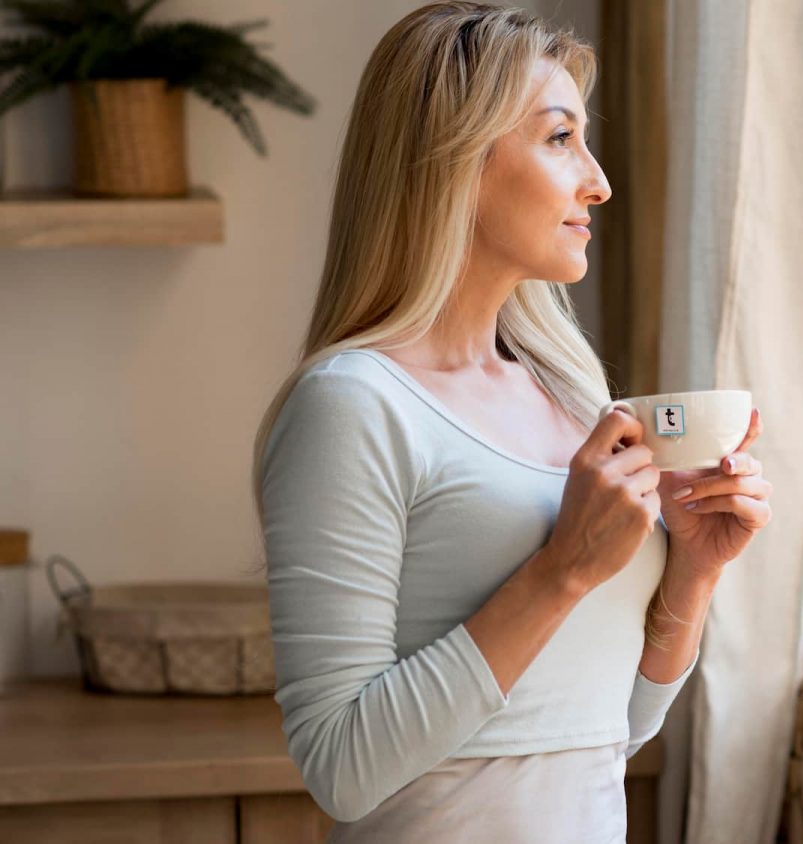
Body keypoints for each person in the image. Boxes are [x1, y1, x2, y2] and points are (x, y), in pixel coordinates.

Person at [248, 3, 773, 841]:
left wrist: (693, 575)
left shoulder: (573, 397)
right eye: (561, 138)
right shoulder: (352, 406)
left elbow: (617, 728)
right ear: (453, 162)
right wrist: (561, 570)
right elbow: (342, 769)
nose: (598, 179)